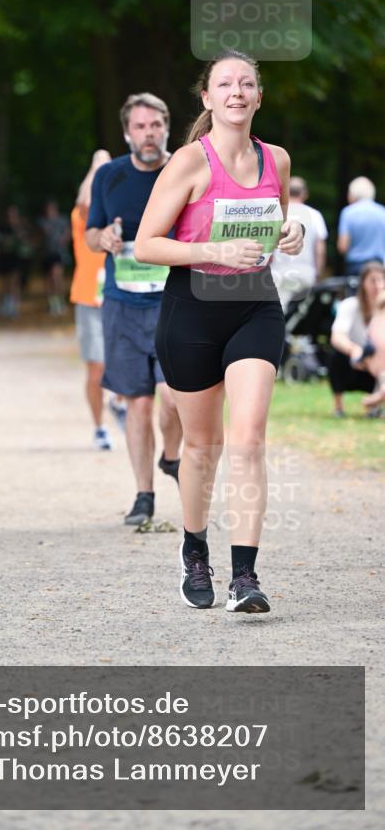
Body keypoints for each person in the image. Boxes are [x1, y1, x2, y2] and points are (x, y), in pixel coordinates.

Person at [134, 50, 304, 614]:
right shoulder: (188, 162)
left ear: (259, 96)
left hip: (255, 305)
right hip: (192, 311)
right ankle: (194, 549)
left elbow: (279, 221)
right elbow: (147, 244)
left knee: (249, 438)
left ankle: (246, 577)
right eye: (224, 84)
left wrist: (293, 232)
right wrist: (213, 250)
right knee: (203, 447)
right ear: (207, 98)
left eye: (247, 83)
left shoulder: (275, 159)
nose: (237, 92)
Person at [86, 93, 183, 526]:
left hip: (175, 302)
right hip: (123, 304)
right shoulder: (109, 175)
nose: (149, 133)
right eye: (140, 127)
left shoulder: (184, 168)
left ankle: (171, 455)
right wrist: (103, 237)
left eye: (156, 125)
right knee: (138, 404)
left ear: (166, 126)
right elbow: (90, 234)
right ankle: (144, 494)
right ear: (127, 132)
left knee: (175, 397)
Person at [71, 149, 114, 451]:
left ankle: (122, 402)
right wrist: (98, 165)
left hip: (120, 293)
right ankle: (99, 426)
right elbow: (86, 200)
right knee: (96, 367)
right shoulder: (83, 214)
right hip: (89, 297)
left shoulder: (121, 210)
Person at [328, 261, 385, 416]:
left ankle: (376, 406)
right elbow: (337, 336)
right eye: (373, 280)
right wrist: (354, 350)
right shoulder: (350, 305)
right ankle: (338, 407)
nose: (378, 286)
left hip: (378, 366)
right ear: (363, 284)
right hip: (353, 362)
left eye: (382, 280)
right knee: (335, 355)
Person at [270, 176, 328, 311]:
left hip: (279, 272)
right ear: (304, 194)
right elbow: (320, 250)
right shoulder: (315, 215)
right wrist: (318, 274)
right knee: (300, 314)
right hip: (305, 273)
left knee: (279, 311)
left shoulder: (277, 213)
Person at [337, 177, 385, 275]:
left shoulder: (348, 212)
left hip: (356, 267)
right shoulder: (382, 212)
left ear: (354, 194)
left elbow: (343, 246)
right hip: (378, 266)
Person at [39, 200, 71, 316]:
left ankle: (60, 300)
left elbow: (69, 232)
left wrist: (64, 239)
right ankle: (52, 303)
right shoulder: (43, 222)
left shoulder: (62, 220)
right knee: (49, 280)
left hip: (59, 254)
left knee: (57, 277)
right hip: (47, 253)